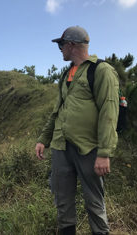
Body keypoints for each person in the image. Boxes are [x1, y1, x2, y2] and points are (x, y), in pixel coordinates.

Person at [35, 26, 119, 235]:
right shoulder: (66, 74)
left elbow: (109, 112)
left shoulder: (101, 70)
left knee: (94, 203)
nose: (60, 49)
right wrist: (43, 139)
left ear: (71, 45)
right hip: (61, 147)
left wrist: (104, 153)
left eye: (61, 45)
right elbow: (57, 111)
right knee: (62, 201)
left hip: (88, 148)